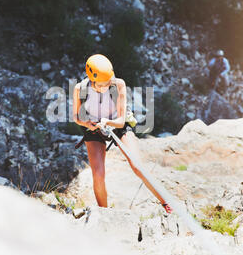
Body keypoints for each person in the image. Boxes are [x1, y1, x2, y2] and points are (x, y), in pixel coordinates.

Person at [72, 54, 173, 213]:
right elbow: (76, 117)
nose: (106, 86)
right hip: (93, 128)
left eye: (108, 82)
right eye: (102, 84)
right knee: (98, 175)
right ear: (91, 79)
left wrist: (106, 122)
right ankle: (103, 213)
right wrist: (87, 124)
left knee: (137, 165)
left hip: (118, 124)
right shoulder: (80, 89)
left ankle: (166, 203)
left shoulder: (118, 85)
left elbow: (120, 120)